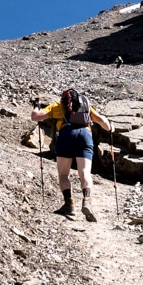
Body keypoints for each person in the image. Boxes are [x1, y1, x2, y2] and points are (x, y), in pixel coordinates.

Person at [31, 89, 112, 220]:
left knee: (63, 173)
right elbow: (104, 123)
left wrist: (36, 106)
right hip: (85, 135)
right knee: (85, 172)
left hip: (66, 134)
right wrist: (111, 128)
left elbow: (36, 117)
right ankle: (87, 200)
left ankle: (69, 204)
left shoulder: (58, 106)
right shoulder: (86, 106)